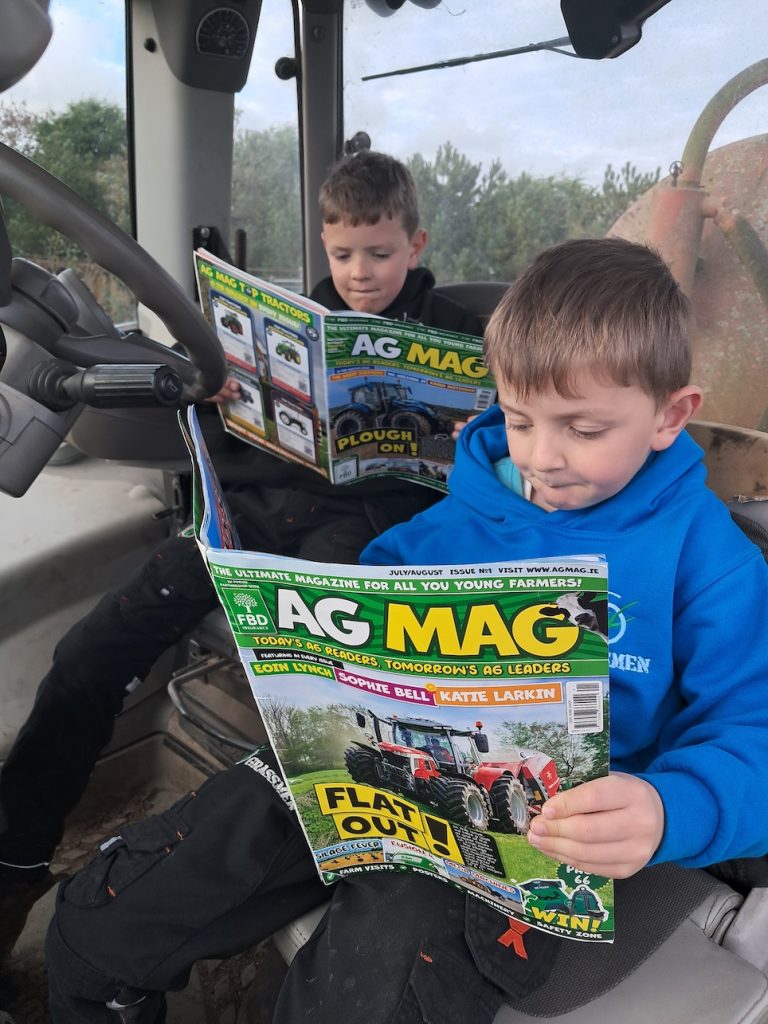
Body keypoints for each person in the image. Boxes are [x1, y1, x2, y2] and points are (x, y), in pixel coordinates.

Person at [43, 237, 768, 1023]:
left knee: (374, 990)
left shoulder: (709, 559)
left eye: (584, 429)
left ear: (671, 416)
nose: (543, 458)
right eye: (520, 420)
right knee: (100, 922)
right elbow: (381, 586)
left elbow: (752, 731)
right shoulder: (464, 510)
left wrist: (669, 808)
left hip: (528, 841)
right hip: (354, 774)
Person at [0, 149, 482, 958]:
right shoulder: (287, 325)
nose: (359, 273)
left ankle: (270, 866)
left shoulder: (461, 337)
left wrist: (481, 439)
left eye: (380, 253)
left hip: (360, 535)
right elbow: (231, 427)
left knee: (311, 695)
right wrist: (225, 395)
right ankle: (14, 859)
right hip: (249, 516)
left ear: (417, 242)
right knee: (90, 651)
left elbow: (512, 447)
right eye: (342, 254)